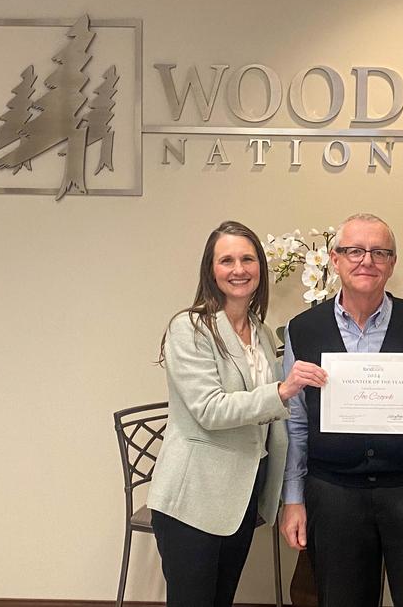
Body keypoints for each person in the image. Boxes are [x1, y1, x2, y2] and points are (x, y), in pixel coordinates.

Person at [280, 213, 403, 607]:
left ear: (392, 263)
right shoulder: (302, 330)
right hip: (334, 495)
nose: (366, 260)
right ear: (334, 260)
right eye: (354, 251)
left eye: (379, 252)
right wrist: (294, 499)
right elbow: (296, 424)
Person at [146, 221, 327, 607]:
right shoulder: (190, 328)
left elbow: (275, 418)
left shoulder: (260, 333)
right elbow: (209, 409)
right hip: (193, 498)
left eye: (247, 258)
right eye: (226, 260)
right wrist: (281, 390)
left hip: (242, 497)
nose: (238, 268)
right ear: (210, 271)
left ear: (260, 268)